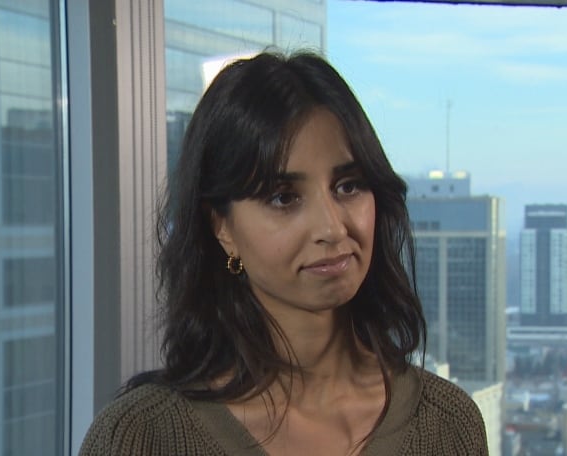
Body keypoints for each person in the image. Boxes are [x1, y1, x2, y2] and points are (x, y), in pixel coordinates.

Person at [79, 50, 488, 456]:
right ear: (222, 228)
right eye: (284, 197)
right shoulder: (141, 437)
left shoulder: (446, 425)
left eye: (348, 186)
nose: (332, 228)